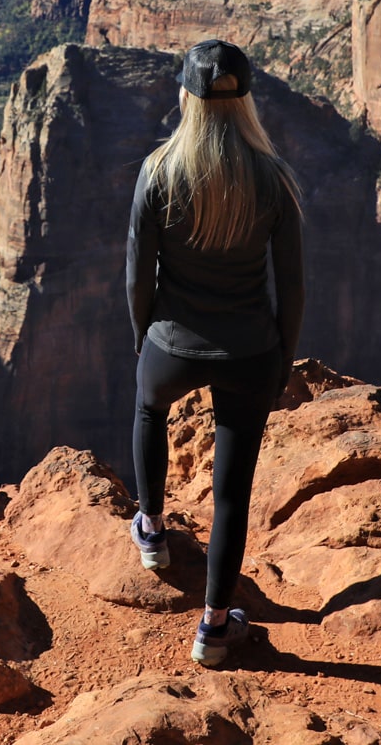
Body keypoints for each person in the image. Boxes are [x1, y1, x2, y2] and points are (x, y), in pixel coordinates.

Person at [127, 39, 305, 666]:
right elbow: (294, 286)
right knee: (231, 490)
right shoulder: (274, 177)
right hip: (251, 351)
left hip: (171, 343)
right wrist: (281, 359)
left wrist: (149, 338)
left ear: (186, 97)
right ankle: (213, 626)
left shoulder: (159, 172)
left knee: (150, 411)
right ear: (247, 99)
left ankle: (150, 530)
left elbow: (137, 278)